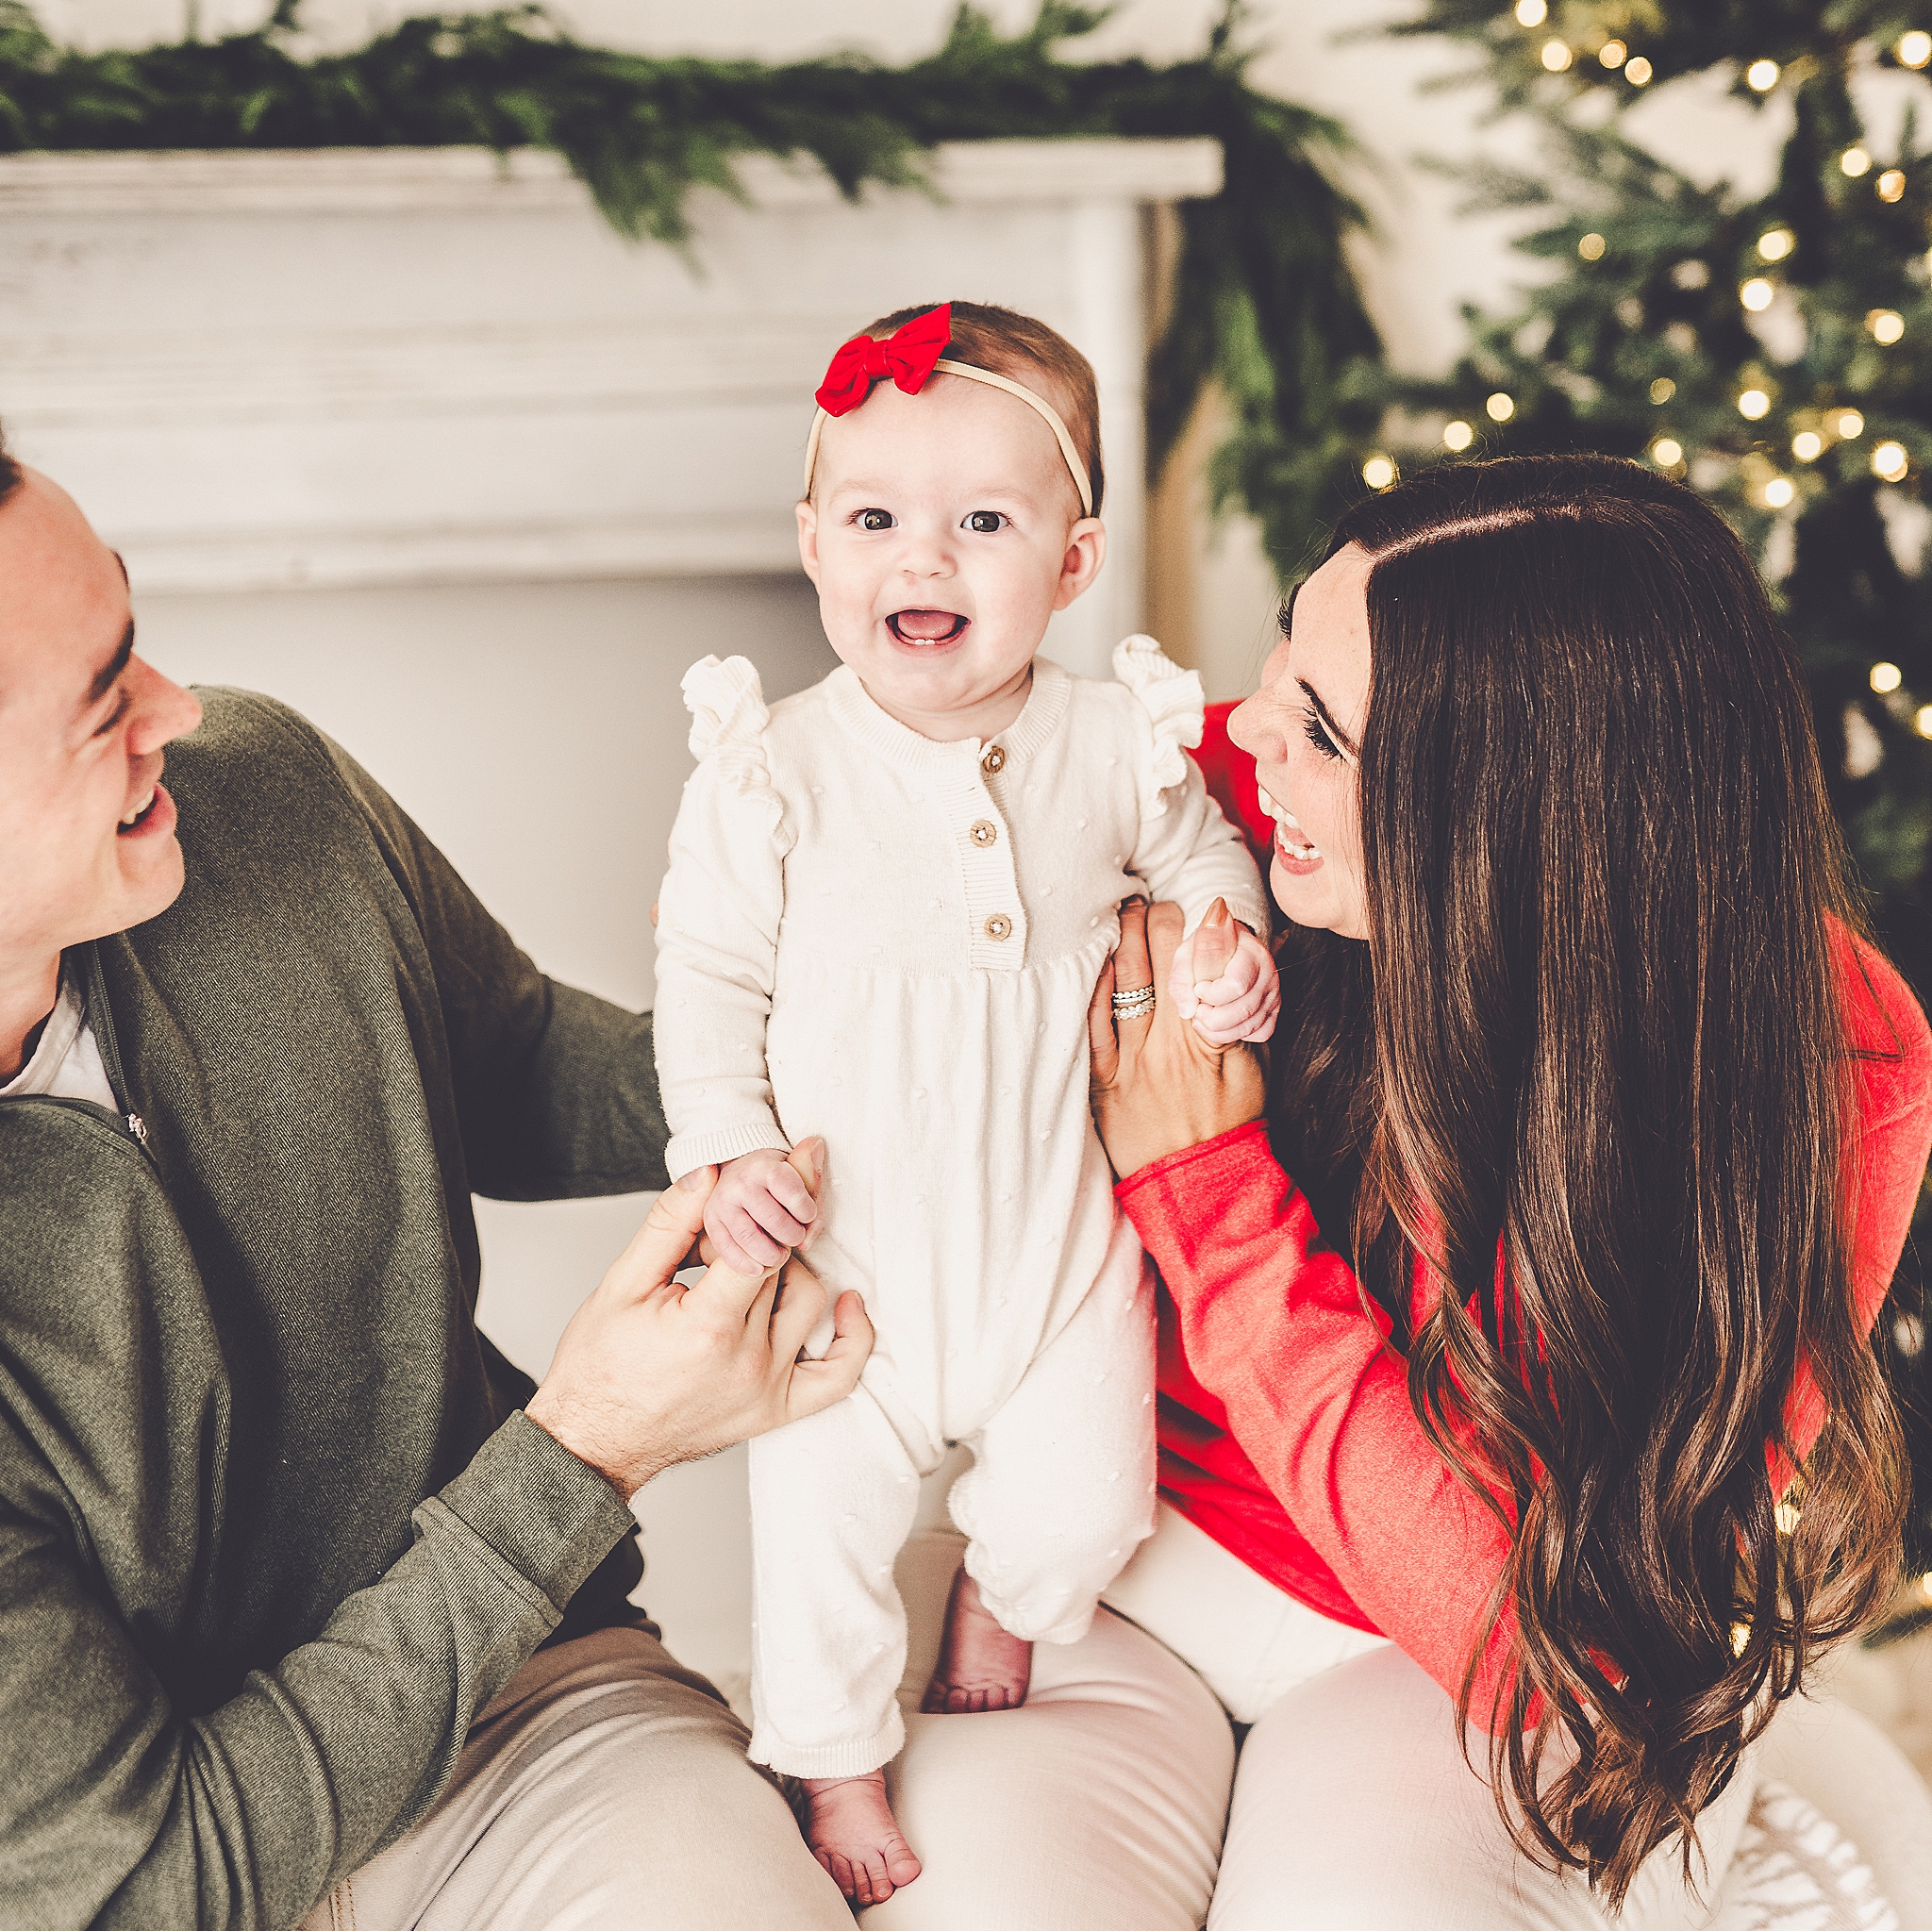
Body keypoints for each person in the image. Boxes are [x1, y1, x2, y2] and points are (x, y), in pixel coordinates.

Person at [858, 452, 1932, 1931]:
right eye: (1281, 658)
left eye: (1321, 733)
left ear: (1519, 815)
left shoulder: (1828, 1059)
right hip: (1126, 1569)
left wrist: (1208, 1190)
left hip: (1477, 1655)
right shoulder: (1207, 832)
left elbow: (1531, 1643)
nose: (1244, 736)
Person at [0, 432, 874, 1931]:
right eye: (104, 703)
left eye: (136, 635)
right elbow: (152, 1876)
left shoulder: (255, 795)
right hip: (165, 1855)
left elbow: (514, 1063)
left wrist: (839, 1016)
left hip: (522, 1703)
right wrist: (586, 1450)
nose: (180, 709)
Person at [650, 299, 1276, 1906]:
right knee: (817, 1545)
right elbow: (707, 972)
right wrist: (722, 1152)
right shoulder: (773, 774)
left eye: (983, 523)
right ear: (812, 543)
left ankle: (1005, 1595)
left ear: (1072, 561)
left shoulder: (1105, 743)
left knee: (1089, 1504)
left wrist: (1227, 958)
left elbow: (1202, 859)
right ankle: (835, 1759)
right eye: (874, 521)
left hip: (1059, 1250)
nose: (919, 562)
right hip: (846, 1260)